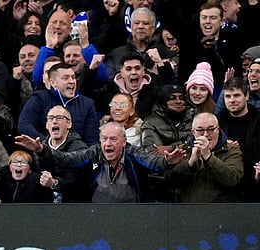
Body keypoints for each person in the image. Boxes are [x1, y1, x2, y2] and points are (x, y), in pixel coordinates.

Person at [15, 121, 185, 203]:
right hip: (97, 216)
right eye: (104, 139)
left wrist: (167, 161)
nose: (108, 144)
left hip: (133, 216)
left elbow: (153, 162)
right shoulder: (94, 152)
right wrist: (41, 150)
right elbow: (66, 159)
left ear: (124, 142)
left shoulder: (133, 153)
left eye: (113, 139)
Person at [165, 112, 243, 203]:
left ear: (217, 130)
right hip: (187, 212)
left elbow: (232, 179)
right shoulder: (183, 150)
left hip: (221, 212)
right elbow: (170, 182)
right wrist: (190, 163)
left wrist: (208, 156)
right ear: (193, 132)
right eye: (200, 130)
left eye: (210, 129)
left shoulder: (231, 150)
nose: (205, 134)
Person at [18, 63, 99, 146]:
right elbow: (24, 126)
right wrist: (47, 145)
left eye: (73, 77)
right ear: (53, 83)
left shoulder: (87, 104)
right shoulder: (40, 98)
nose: (71, 81)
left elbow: (91, 140)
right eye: (65, 78)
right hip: (42, 153)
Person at [36, 105, 89, 203]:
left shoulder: (80, 148)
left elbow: (75, 179)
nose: (54, 121)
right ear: (47, 125)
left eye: (59, 118)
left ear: (69, 124)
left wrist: (54, 182)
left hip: (74, 204)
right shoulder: (39, 147)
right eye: (51, 118)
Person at [217, 77, 258, 201]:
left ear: (246, 96)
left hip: (253, 185)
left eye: (236, 95)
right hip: (225, 187)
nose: (232, 100)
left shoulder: (258, 120)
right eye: (228, 96)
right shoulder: (217, 122)